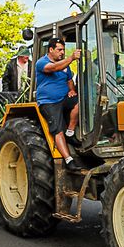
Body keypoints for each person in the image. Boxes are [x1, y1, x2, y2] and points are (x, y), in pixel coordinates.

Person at [35, 37, 82, 170]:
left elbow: (69, 80)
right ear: (51, 50)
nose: (62, 52)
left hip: (63, 99)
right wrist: (71, 58)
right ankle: (69, 160)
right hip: (48, 102)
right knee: (57, 130)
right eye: (59, 50)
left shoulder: (65, 65)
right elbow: (54, 68)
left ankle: (70, 132)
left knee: (79, 103)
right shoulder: (41, 62)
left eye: (63, 50)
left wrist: (72, 90)